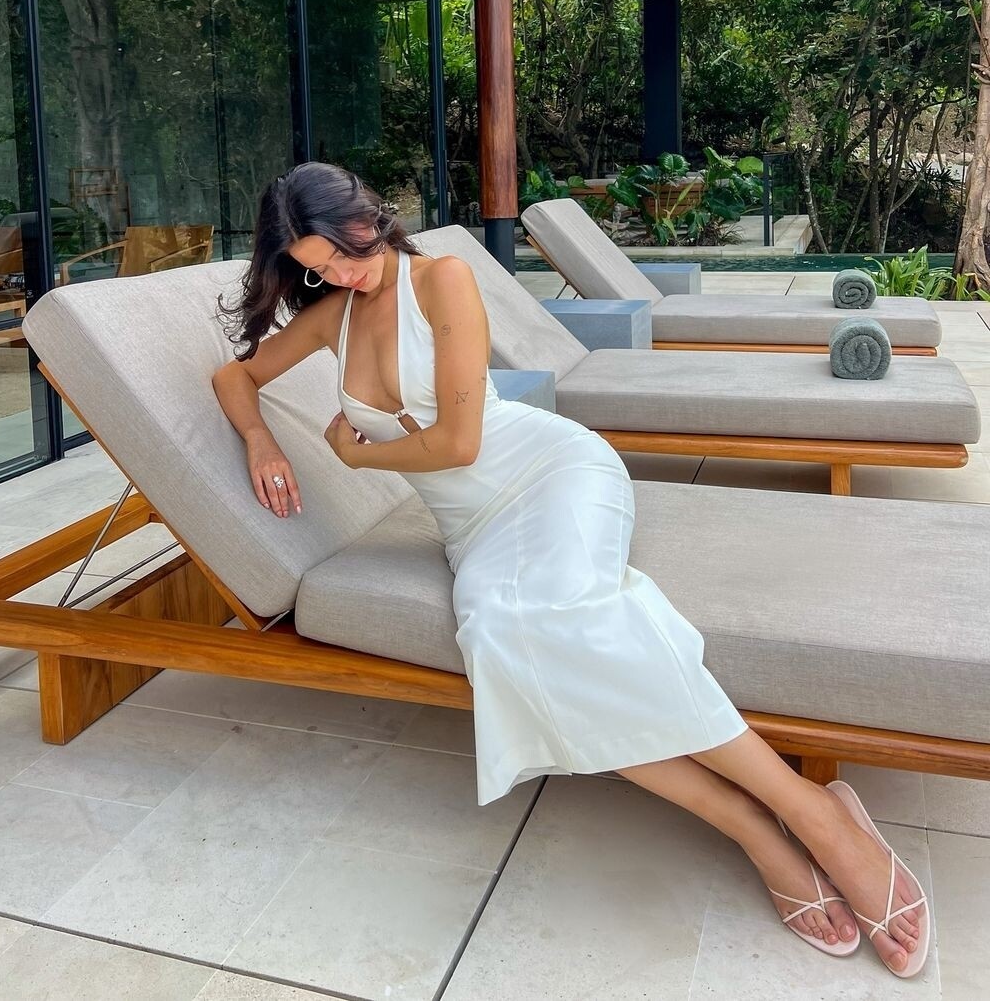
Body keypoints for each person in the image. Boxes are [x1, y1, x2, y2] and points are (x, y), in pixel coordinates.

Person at [211, 161, 930, 978]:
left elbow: (460, 444)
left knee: (569, 617)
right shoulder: (331, 318)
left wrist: (357, 453)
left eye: (347, 248)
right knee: (509, 639)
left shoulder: (440, 280)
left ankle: (817, 817)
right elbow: (234, 375)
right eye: (319, 266)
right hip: (472, 527)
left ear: (370, 216)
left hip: (552, 473)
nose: (343, 272)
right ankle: (758, 826)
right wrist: (261, 439)